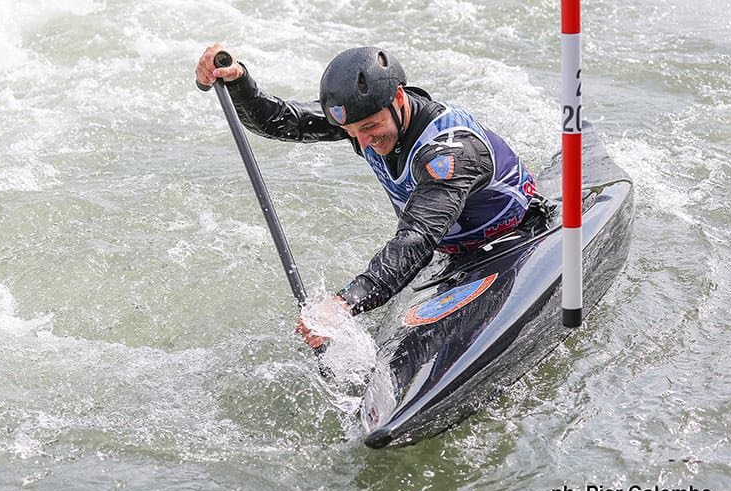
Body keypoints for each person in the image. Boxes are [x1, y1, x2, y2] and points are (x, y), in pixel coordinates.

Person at [195, 43, 539, 349]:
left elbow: (417, 238)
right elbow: (284, 121)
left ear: (399, 98)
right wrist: (238, 81)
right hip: (450, 256)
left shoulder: (451, 153)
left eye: (369, 128)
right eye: (350, 132)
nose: (362, 142)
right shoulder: (367, 118)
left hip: (519, 239)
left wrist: (345, 303)